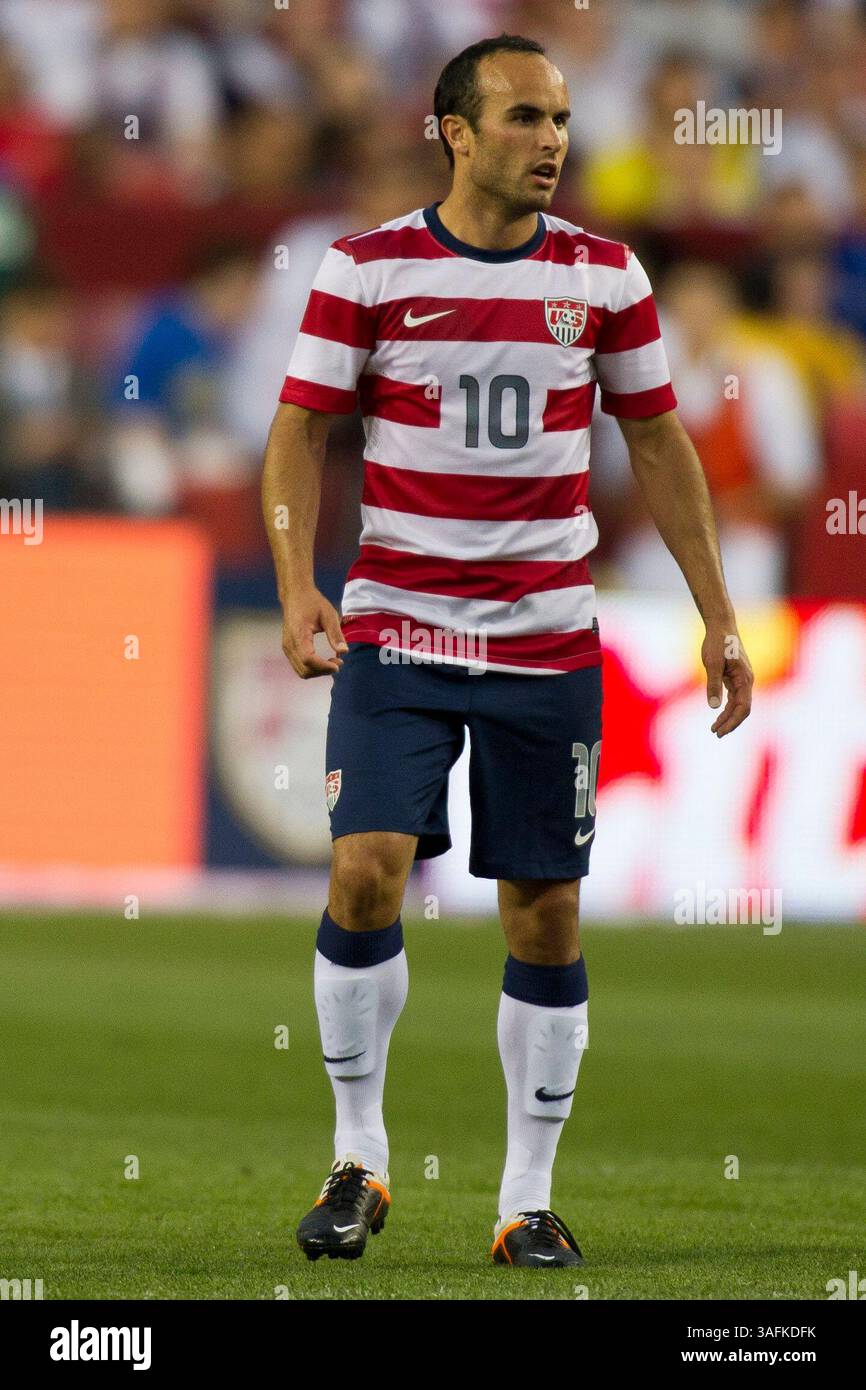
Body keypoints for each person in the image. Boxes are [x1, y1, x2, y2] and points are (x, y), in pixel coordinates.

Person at [261, 33, 753, 1271]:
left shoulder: (605, 276)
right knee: (366, 868)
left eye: (562, 119)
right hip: (396, 632)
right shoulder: (364, 269)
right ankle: (357, 1161)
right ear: (456, 132)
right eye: (525, 117)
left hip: (546, 644)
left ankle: (523, 1200)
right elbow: (297, 433)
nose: (552, 141)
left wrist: (718, 612)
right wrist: (294, 585)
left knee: (540, 910)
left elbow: (658, 445)